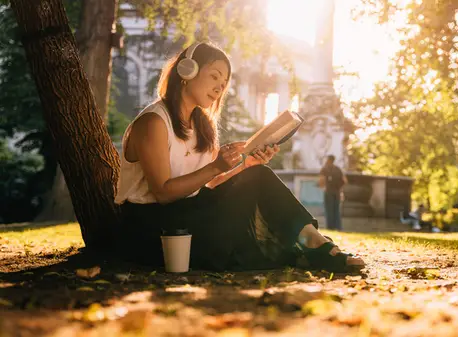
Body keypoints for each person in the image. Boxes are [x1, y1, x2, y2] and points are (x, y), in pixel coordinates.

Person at [113, 41, 364, 273]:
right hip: (152, 227)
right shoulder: (153, 122)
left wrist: (245, 167)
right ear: (186, 71)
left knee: (258, 175)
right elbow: (164, 193)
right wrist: (215, 167)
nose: (219, 87)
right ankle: (308, 248)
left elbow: (207, 185)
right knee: (252, 243)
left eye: (223, 83)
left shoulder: (202, 127)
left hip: (187, 215)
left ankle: (312, 240)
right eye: (214, 77)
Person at [318, 155, 347, 230]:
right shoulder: (338, 169)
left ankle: (330, 227)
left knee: (329, 210)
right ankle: (338, 227)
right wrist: (340, 191)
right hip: (337, 192)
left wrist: (320, 185)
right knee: (336, 210)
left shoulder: (325, 169)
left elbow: (321, 181)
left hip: (328, 191)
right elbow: (344, 181)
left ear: (328, 160)